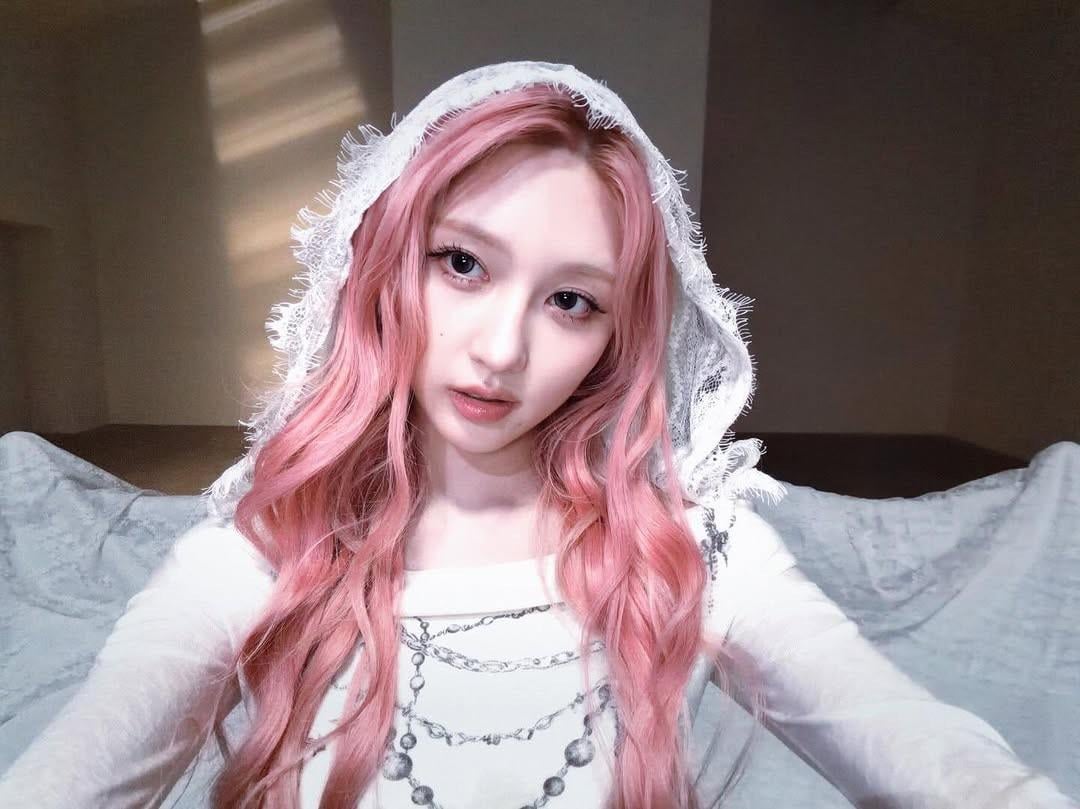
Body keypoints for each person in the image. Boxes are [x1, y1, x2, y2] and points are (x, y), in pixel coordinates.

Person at [0, 61, 1076, 809]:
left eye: (571, 300)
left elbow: (913, 740)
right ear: (387, 267)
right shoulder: (263, 552)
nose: (501, 349)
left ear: (616, 337)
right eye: (462, 263)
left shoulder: (695, 551)